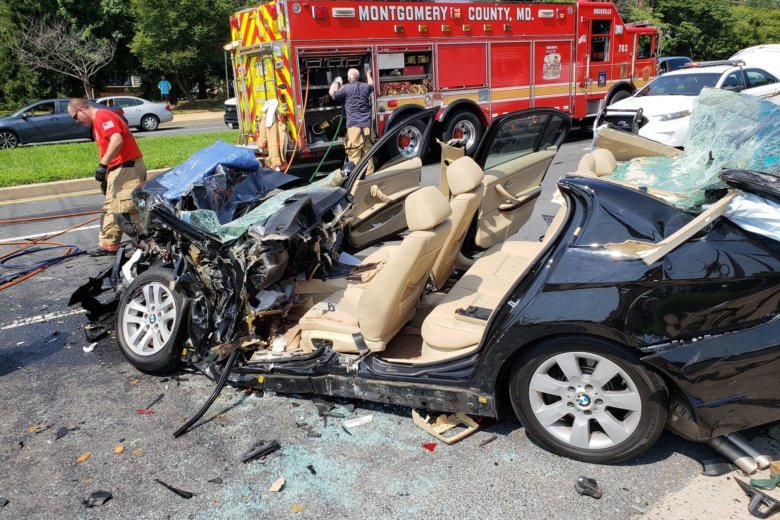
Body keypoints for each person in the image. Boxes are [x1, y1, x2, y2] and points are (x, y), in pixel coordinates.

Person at [67, 98, 147, 256]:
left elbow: (117, 140)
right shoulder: (98, 121)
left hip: (127, 168)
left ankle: (145, 244)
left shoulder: (103, 116)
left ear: (82, 110)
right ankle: (108, 245)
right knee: (111, 208)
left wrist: (103, 165)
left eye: (75, 117)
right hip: (119, 168)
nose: (77, 121)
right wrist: (107, 174)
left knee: (125, 210)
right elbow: (109, 147)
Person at [330, 67, 375, 174]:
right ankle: (370, 175)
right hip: (367, 126)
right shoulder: (365, 87)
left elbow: (334, 95)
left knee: (354, 152)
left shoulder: (346, 88)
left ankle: (356, 177)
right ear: (358, 77)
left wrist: (337, 82)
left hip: (354, 127)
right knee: (367, 151)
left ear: (349, 78)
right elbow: (371, 85)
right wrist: (368, 73)